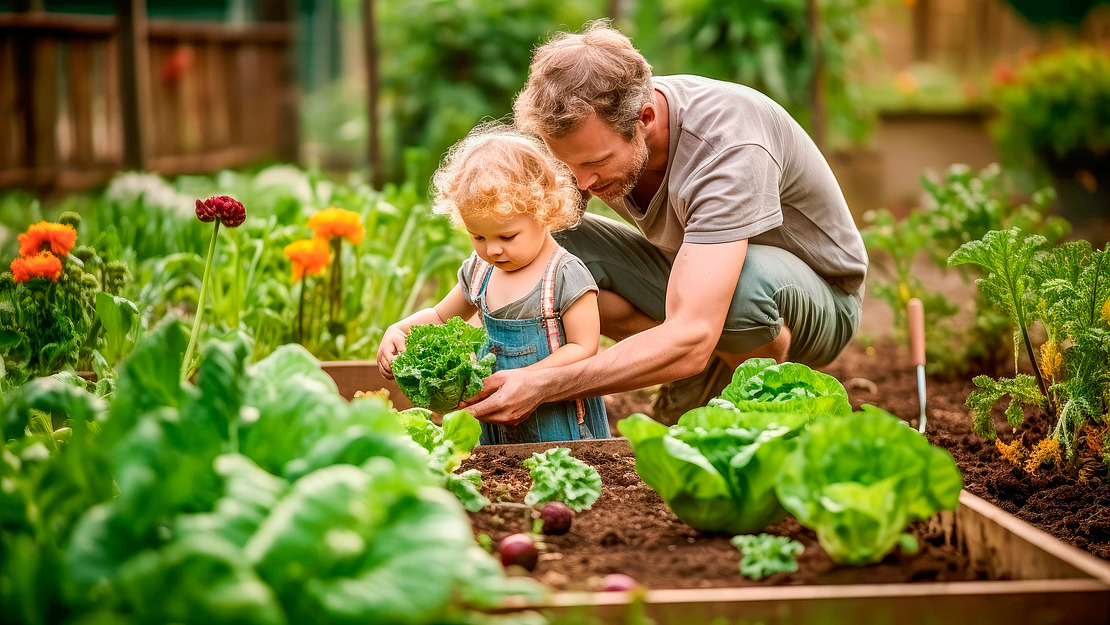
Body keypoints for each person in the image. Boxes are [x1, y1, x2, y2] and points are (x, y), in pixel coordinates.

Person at [461, 21, 868, 425]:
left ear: (645, 118)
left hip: (818, 301)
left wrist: (545, 385)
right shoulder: (588, 130)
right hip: (692, 277)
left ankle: (754, 404)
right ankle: (694, 362)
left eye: (596, 163)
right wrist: (444, 331)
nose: (580, 182)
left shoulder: (728, 145)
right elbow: (514, 245)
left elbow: (699, 320)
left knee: (741, 291)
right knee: (549, 237)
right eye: (567, 163)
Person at [376, 122, 610, 444]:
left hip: (558, 422)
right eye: (478, 237)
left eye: (507, 236)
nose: (492, 250)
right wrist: (400, 330)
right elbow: (440, 316)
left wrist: (525, 379)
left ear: (544, 212)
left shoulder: (565, 274)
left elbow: (584, 349)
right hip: (495, 420)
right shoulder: (480, 271)